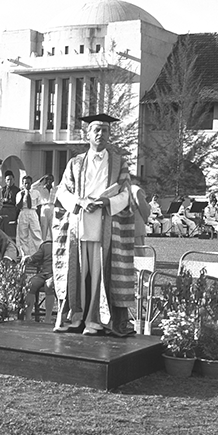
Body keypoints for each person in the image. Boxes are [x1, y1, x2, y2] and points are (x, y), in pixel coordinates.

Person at [53, 113, 134, 336]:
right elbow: (62, 191)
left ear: (110, 135)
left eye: (105, 130)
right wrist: (78, 202)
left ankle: (95, 321)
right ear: (87, 134)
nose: (100, 134)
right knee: (78, 272)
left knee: (99, 274)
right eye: (96, 130)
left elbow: (126, 194)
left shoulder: (119, 163)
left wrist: (107, 201)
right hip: (79, 223)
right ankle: (75, 318)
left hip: (104, 225)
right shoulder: (75, 163)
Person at [22, 240, 55, 323]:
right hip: (43, 273)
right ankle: (28, 317)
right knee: (31, 284)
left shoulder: (64, 246)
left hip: (55, 274)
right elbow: (35, 257)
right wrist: (28, 258)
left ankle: (48, 318)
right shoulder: (46, 246)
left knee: (49, 285)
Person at [15, 175, 42, 256]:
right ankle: (25, 254)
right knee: (23, 234)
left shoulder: (36, 193)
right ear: (23, 184)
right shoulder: (19, 194)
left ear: (31, 183)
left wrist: (39, 217)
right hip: (23, 212)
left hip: (33, 212)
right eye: (25, 183)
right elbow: (18, 206)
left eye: (29, 183)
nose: (27, 185)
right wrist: (23, 196)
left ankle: (37, 253)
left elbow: (39, 206)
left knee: (36, 233)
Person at [32, 174, 56, 241]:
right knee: (43, 227)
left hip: (52, 207)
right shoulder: (41, 188)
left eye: (51, 179)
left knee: (52, 227)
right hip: (44, 207)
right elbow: (32, 187)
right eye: (48, 179)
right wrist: (41, 180)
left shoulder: (55, 189)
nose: (49, 181)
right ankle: (43, 243)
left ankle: (53, 244)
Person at [129, 178, 151, 245]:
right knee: (139, 253)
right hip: (136, 225)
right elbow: (143, 208)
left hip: (125, 226)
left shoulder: (124, 189)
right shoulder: (137, 190)